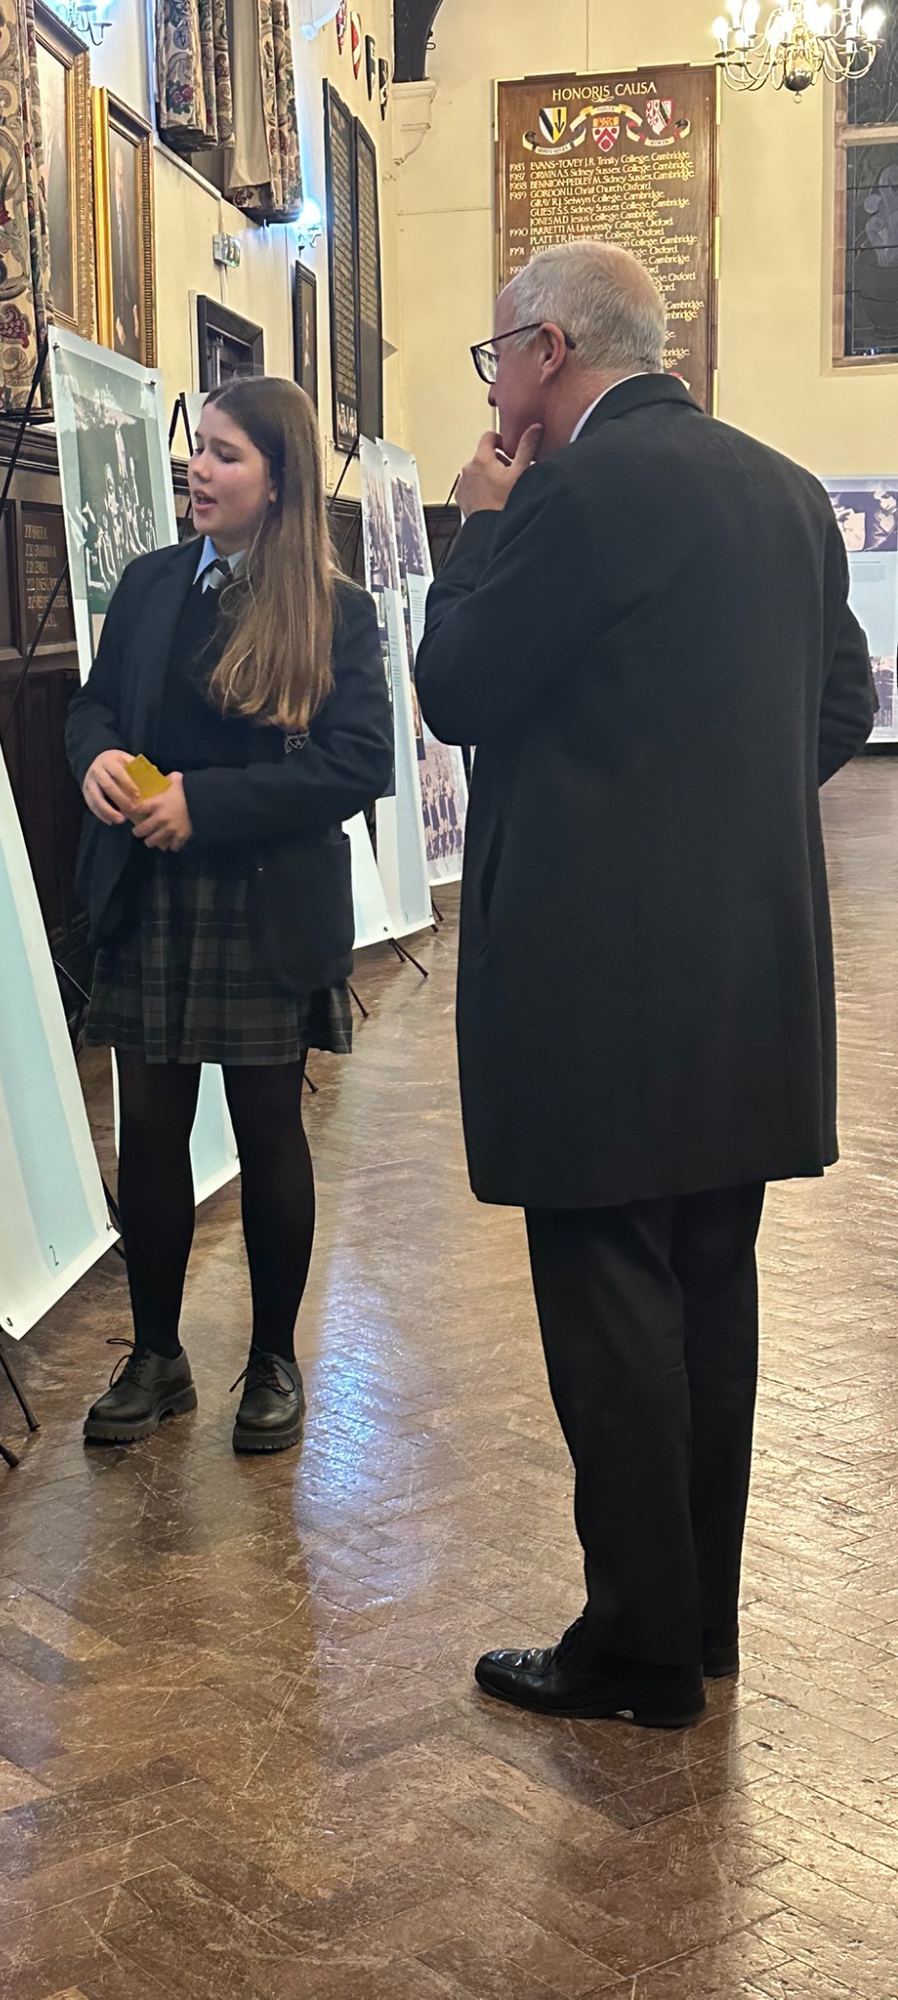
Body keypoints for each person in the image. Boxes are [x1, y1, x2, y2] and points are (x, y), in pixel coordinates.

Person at [414, 241, 876, 1728]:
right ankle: (701, 1621)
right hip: (748, 970)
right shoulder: (787, 491)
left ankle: (633, 1651)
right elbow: (846, 705)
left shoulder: (572, 493)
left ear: (549, 349)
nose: (498, 395)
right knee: (709, 1290)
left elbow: (458, 688)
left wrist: (479, 529)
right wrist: (721, 804)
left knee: (611, 1302)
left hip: (594, 984)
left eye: (499, 362)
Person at [66, 377, 394, 1452]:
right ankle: (156, 1355)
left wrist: (204, 804)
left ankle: (272, 1361)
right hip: (149, 895)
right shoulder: (152, 583)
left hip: (262, 901)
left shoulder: (337, 610)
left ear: (278, 479)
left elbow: (357, 762)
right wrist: (99, 760)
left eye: (226, 455)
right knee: (152, 1132)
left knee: (267, 1131)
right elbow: (95, 707)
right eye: (196, 450)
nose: (199, 471)